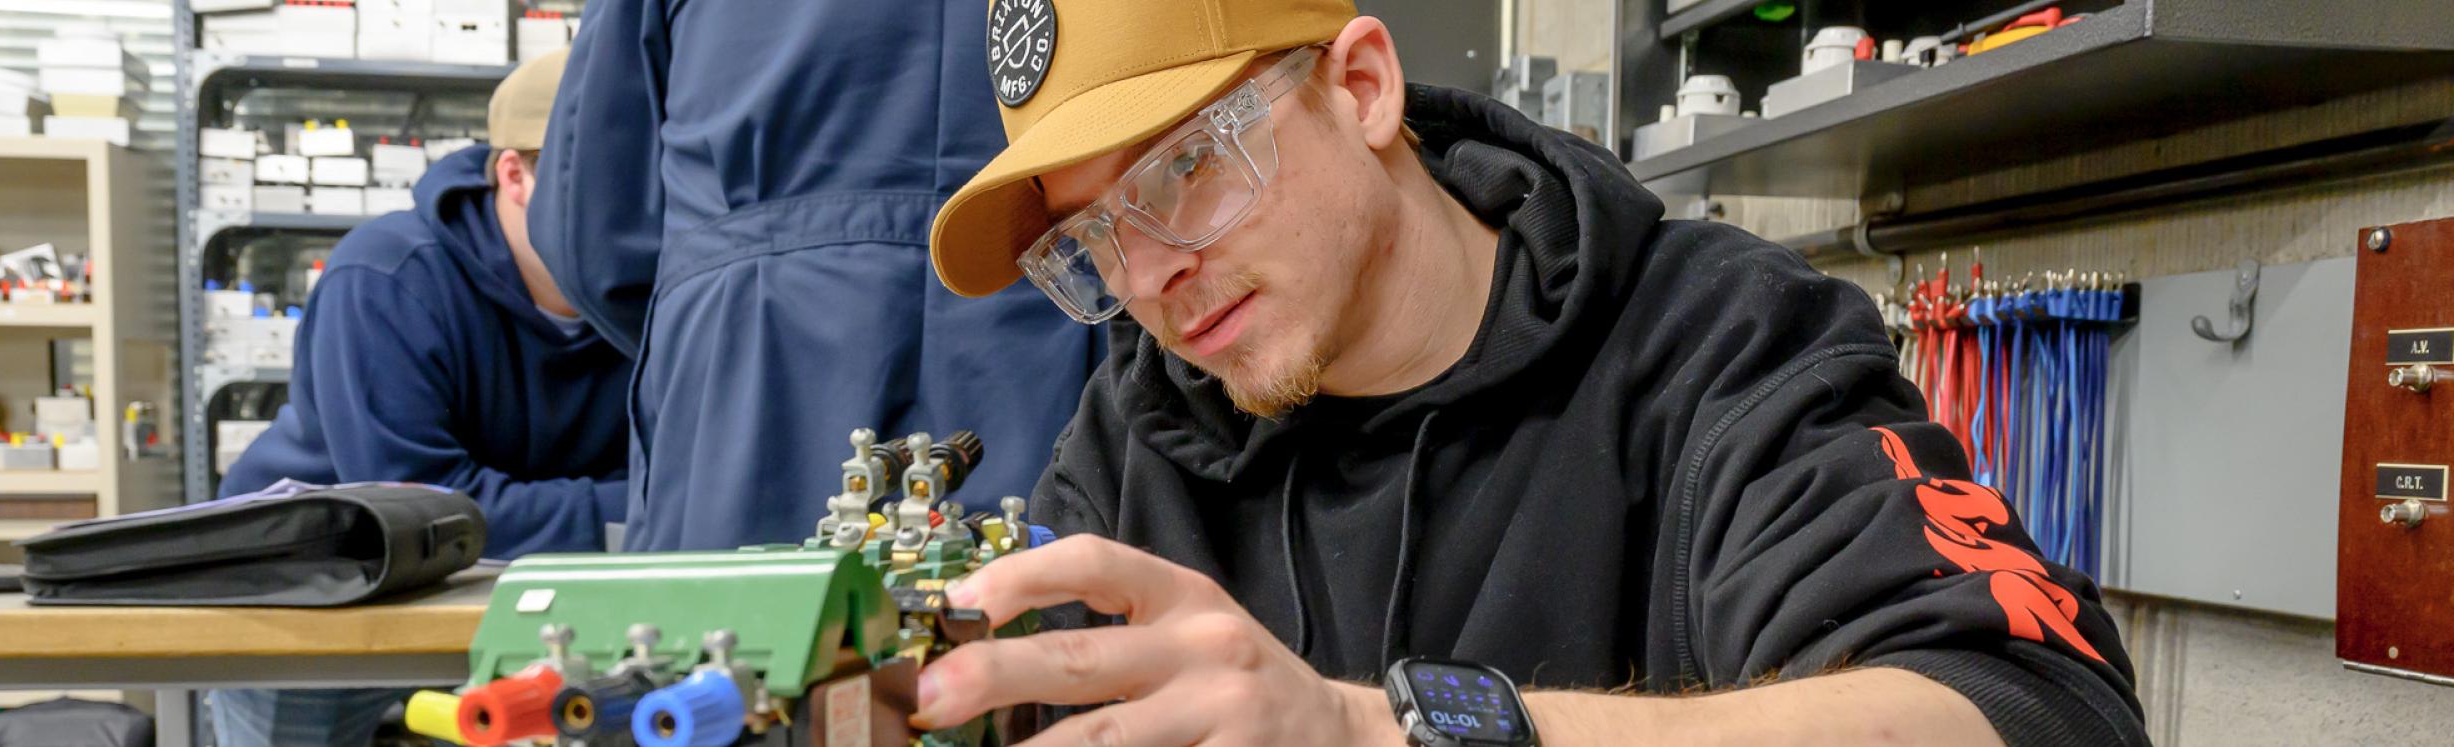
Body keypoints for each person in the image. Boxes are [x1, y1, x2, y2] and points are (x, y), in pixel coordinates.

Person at [909, 0, 2147, 744]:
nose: (1147, 279)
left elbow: (2034, 710)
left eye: (1181, 171)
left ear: (1361, 87)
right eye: (1091, 239)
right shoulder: (1139, 435)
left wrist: (1383, 728)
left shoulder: (1716, 343)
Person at [530, 0, 1101, 551]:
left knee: (736, 633)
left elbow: (590, 234)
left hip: (750, 357)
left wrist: (714, 308)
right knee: (1055, 623)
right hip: (1046, 332)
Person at [209, 50, 630, 746]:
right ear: (514, 175)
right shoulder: (385, 278)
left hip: (524, 603)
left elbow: (675, 469)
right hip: (320, 601)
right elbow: (425, 506)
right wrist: (632, 510)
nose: (628, 212)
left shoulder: (642, 301)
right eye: (601, 181)